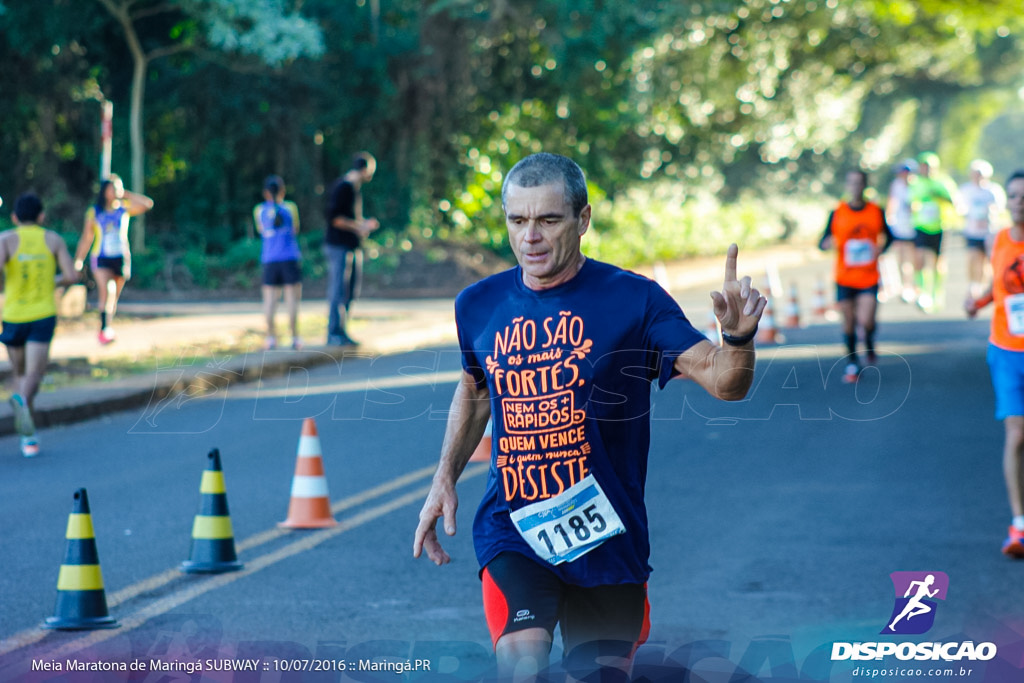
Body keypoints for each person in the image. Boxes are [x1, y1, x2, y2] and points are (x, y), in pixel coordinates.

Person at [412, 153, 766, 680]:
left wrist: (736, 338)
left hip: (608, 540)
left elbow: (725, 382)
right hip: (515, 526)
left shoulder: (634, 301)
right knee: (522, 663)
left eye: (548, 220)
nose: (530, 236)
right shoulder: (478, 304)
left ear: (583, 220)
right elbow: (475, 385)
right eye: (517, 220)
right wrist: (444, 475)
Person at [965, 169, 1024, 559]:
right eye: (1015, 195)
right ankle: (1019, 525)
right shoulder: (999, 240)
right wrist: (979, 301)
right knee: (1017, 436)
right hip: (1005, 350)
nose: (1021, 201)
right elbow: (998, 287)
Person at [1, 193, 79, 457]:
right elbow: (71, 276)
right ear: (41, 216)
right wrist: (52, 282)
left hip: (12, 316)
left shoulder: (5, 239)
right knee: (33, 376)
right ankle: (22, 406)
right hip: (42, 315)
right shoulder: (53, 239)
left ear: (14, 217)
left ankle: (29, 437)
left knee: (20, 375)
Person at [819, 169, 894, 383]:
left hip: (868, 276)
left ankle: (869, 340)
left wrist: (881, 249)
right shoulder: (837, 213)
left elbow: (889, 237)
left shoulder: (875, 211)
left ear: (865, 186)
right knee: (849, 323)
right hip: (844, 277)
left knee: (866, 320)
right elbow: (822, 240)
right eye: (851, 183)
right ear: (847, 186)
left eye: (859, 182)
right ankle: (852, 363)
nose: (855, 187)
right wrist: (826, 244)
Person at [73, 174, 154, 344]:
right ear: (104, 191)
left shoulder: (123, 209)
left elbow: (147, 204)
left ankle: (107, 326)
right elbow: (87, 237)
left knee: (113, 296)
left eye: (118, 188)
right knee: (107, 291)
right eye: (112, 188)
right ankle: (104, 330)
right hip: (101, 257)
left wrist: (127, 194)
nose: (115, 191)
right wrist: (79, 260)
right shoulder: (94, 212)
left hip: (121, 257)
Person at [324, 152, 379, 346]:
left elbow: (349, 219)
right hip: (338, 246)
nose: (370, 176)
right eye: (370, 171)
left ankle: (342, 330)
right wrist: (359, 227)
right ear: (363, 169)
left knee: (350, 291)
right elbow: (335, 218)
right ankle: (333, 332)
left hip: (351, 245)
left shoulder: (354, 188)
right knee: (338, 290)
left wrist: (363, 225)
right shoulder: (343, 187)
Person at [253, 175, 303, 350]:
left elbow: (261, 230)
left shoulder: (259, 210)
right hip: (289, 258)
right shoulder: (290, 208)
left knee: (269, 301)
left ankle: (271, 338)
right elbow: (295, 230)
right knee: (292, 300)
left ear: (265, 193)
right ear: (283, 191)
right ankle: (295, 337)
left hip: (270, 260)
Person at [909, 152, 955, 312]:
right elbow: (910, 202)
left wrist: (939, 196)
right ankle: (922, 292)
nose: (926, 169)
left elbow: (954, 201)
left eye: (928, 166)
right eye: (923, 166)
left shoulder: (943, 183)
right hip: (921, 226)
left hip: (939, 226)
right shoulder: (915, 183)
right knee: (919, 258)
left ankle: (937, 292)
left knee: (937, 262)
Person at [957, 159, 1005, 299]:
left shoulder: (993, 190)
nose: (978, 176)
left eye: (981, 174)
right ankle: (973, 285)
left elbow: (1000, 207)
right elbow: (960, 207)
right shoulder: (966, 190)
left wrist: (991, 212)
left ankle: (983, 286)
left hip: (989, 232)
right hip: (972, 231)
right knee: (972, 258)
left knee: (986, 261)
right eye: (976, 173)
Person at [884, 159, 918, 303]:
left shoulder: (917, 185)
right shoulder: (896, 185)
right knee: (901, 256)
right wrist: (889, 218)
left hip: (914, 226)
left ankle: (911, 284)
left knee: (912, 257)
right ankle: (903, 285)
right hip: (899, 226)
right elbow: (892, 201)